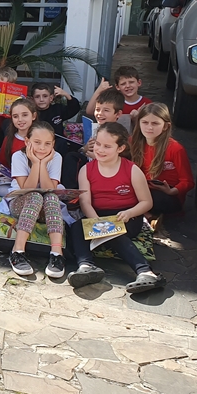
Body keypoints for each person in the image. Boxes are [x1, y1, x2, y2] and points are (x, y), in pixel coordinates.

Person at [66, 123, 163, 294]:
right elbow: (85, 202)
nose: (100, 150)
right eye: (98, 144)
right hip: (98, 215)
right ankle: (86, 266)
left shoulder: (131, 170)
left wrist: (129, 213)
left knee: (113, 232)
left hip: (126, 216)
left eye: (107, 146)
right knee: (77, 227)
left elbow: (146, 202)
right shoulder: (86, 170)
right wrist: (96, 222)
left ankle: (146, 272)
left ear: (121, 148)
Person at [4, 122, 65, 279]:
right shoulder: (19, 156)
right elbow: (27, 188)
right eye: (37, 142)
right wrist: (35, 163)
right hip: (21, 202)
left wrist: (43, 163)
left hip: (45, 209)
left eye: (47, 144)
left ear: (53, 144)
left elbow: (49, 188)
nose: (42, 148)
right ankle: (17, 251)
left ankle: (56, 253)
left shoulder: (56, 157)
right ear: (27, 142)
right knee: (35, 196)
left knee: (51, 196)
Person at [130, 102, 194, 220]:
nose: (149, 127)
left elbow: (188, 181)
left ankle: (146, 216)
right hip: (142, 189)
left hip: (166, 196)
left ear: (165, 126)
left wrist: (171, 191)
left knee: (150, 198)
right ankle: (147, 216)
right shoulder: (133, 142)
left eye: (155, 123)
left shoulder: (175, 149)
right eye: (144, 122)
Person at [61, 88, 129, 190]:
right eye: (97, 109)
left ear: (118, 114)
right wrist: (84, 149)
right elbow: (83, 153)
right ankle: (70, 192)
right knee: (71, 157)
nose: (100, 113)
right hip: (90, 162)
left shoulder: (120, 133)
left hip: (110, 166)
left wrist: (99, 158)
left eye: (106, 110)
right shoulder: (95, 127)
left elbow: (124, 159)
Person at [86, 66, 151, 118]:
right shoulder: (113, 102)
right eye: (123, 84)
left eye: (131, 82)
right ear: (117, 87)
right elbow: (89, 111)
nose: (128, 86)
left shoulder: (147, 103)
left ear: (139, 83)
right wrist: (99, 90)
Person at [0, 98, 38, 167]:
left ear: (33, 116)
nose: (20, 119)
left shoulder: (42, 138)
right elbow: (3, 164)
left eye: (25, 115)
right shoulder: (8, 139)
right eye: (15, 116)